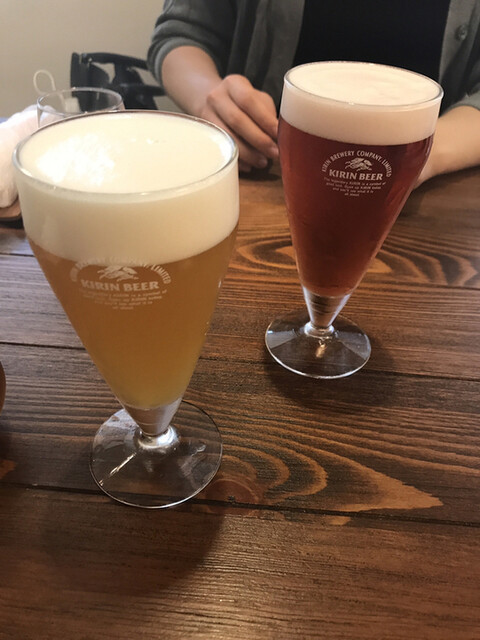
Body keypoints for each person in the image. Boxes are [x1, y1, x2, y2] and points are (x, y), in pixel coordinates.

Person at [148, 0, 480, 185]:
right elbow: (181, 32)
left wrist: (424, 154)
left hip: (417, 204)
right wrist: (209, 98)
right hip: (262, 175)